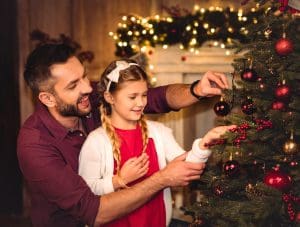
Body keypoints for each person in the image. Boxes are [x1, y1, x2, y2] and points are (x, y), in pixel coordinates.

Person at [17, 42, 229, 227]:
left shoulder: (88, 99)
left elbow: (155, 98)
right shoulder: (34, 145)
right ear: (48, 99)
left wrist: (196, 90)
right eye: (74, 85)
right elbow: (94, 212)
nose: (88, 88)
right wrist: (161, 179)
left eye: (83, 76)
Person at [78, 59, 235, 227]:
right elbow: (87, 195)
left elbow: (186, 167)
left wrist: (204, 143)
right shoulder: (96, 141)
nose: (141, 103)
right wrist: (119, 180)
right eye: (132, 97)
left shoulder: (159, 132)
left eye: (144, 95)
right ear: (109, 97)